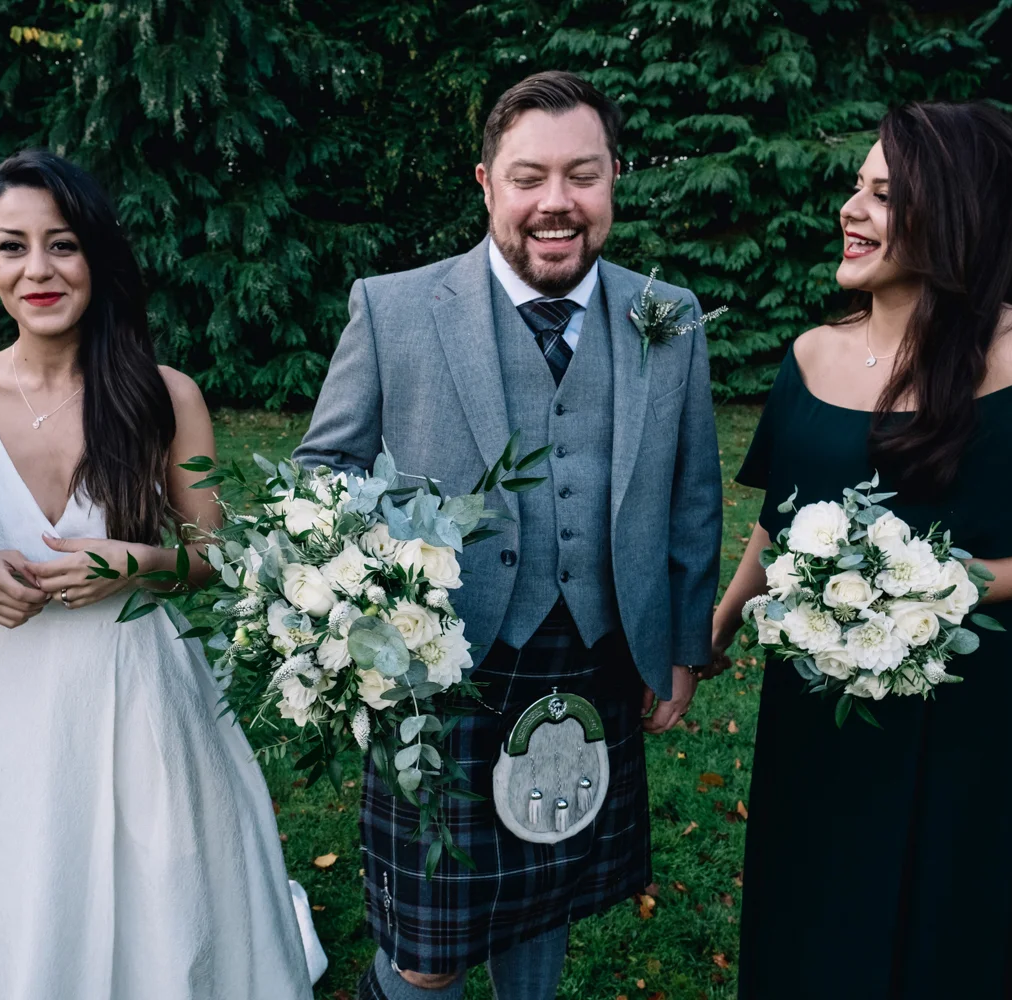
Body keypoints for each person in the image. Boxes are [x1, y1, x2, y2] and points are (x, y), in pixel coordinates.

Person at [295, 71, 723, 1000]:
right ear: (486, 181)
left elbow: (692, 494)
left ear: (615, 179)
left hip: (603, 655)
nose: (557, 203)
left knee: (547, 897)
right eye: (529, 177)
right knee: (429, 946)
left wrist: (683, 645)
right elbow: (320, 476)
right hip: (441, 668)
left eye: (584, 175)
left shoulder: (670, 315)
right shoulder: (395, 308)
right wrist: (371, 592)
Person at [711, 102, 1012, 999]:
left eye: (882, 194)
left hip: (964, 721)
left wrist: (937, 591)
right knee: (811, 912)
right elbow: (781, 517)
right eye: (856, 187)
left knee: (942, 931)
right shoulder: (811, 355)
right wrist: (728, 614)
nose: (850, 209)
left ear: (953, 211)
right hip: (816, 707)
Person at [0, 149, 319, 1000]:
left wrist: (142, 562)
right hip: (1, 687)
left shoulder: (166, 394)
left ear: (95, 253)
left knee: (159, 871)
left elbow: (215, 560)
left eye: (61, 245)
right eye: (14, 248)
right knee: (22, 880)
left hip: (139, 678)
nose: (39, 270)